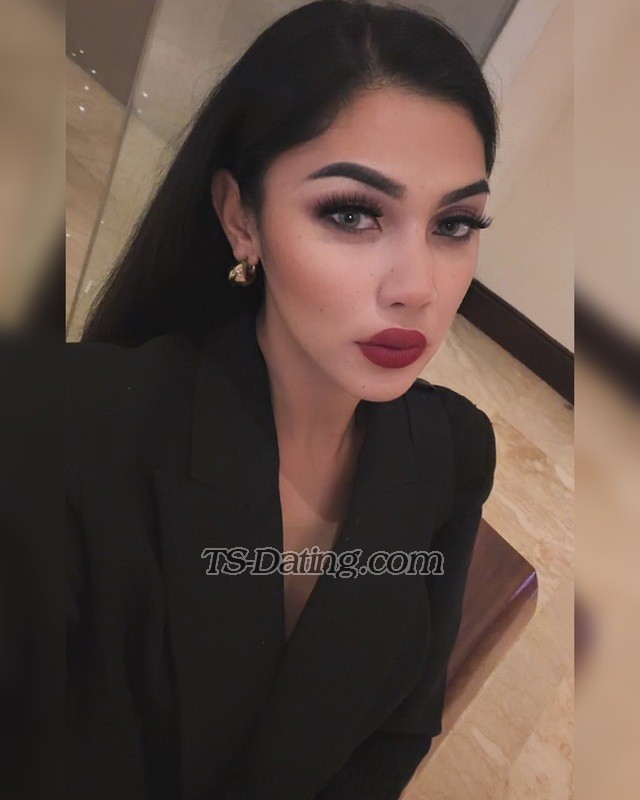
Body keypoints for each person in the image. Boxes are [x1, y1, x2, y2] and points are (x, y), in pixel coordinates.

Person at [66, 1, 499, 797]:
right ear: (242, 217)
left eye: (455, 224)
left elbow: (400, 730)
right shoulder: (84, 426)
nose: (418, 288)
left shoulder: (452, 451)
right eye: (352, 213)